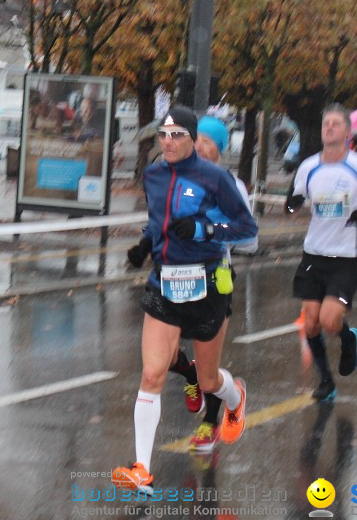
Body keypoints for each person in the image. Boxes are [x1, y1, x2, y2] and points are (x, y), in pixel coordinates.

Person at [112, 105, 258, 491]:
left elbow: (246, 227)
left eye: (178, 135)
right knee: (152, 373)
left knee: (208, 380)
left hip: (207, 284)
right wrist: (146, 246)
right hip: (165, 283)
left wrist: (202, 229)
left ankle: (236, 394)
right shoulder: (154, 175)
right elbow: (158, 220)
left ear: (192, 139)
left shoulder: (215, 178)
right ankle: (142, 468)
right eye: (164, 134)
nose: (169, 141)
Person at [163, 115, 259, 454]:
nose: (201, 147)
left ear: (220, 148)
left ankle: (219, 413)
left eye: (209, 141)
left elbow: (249, 240)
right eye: (196, 139)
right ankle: (188, 373)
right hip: (172, 278)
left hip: (213, 280)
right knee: (162, 357)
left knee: (209, 374)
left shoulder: (230, 184)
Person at [285, 104, 357, 403]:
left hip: (346, 257)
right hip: (313, 253)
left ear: (347, 132)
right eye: (325, 124)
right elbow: (297, 203)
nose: (328, 128)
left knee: (331, 321)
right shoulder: (309, 166)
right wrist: (291, 205)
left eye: (334, 124)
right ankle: (327, 382)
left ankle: (348, 338)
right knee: (311, 322)